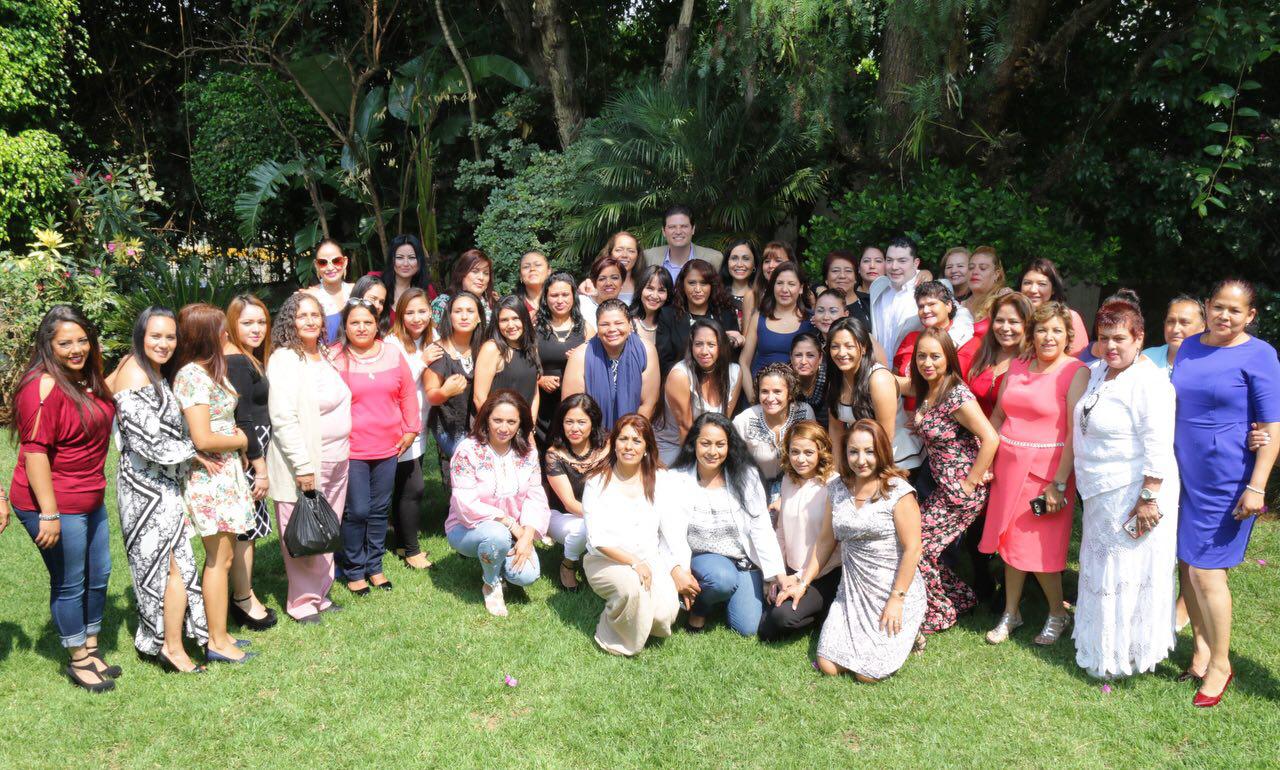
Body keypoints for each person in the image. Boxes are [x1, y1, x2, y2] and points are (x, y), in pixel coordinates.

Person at [1172, 279, 1280, 707]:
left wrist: (1257, 485)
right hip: (1183, 472)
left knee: (1205, 571)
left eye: (1235, 311)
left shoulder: (1261, 355)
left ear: (1251, 316)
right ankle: (1200, 651)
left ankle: (1221, 663)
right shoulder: (1191, 346)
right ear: (1207, 307)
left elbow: (1271, 429)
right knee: (1186, 565)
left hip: (1228, 478)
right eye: (1218, 307)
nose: (1224, 316)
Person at [8, 306, 119, 689]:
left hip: (90, 496)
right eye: (65, 343)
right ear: (47, 345)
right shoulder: (41, 385)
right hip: (52, 502)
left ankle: (90, 646)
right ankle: (77, 658)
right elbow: (35, 452)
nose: (76, 349)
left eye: (82, 340)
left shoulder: (85, 378)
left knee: (100, 572)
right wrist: (49, 514)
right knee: (70, 579)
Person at [1071, 293, 1180, 679]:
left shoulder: (1148, 380)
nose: (1111, 346)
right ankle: (1099, 642)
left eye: (1120, 338)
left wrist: (1148, 498)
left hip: (1134, 492)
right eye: (1104, 337)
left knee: (1127, 571)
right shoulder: (1101, 371)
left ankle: (1124, 655)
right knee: (1101, 567)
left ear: (1139, 338)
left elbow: (1158, 444)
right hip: (1101, 490)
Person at [777, 419, 924, 681]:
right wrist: (803, 582)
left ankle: (910, 632)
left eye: (869, 451)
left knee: (867, 674)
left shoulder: (899, 491)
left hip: (892, 587)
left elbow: (913, 548)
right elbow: (825, 541)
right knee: (828, 665)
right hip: (853, 590)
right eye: (853, 451)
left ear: (881, 451)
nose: (861, 459)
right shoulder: (837, 489)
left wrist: (897, 599)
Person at [981, 301, 1089, 646]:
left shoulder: (1076, 372)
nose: (1048, 337)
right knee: (1010, 544)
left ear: (1068, 336)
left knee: (1041, 551)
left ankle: (1057, 611)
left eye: (1057, 330)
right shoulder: (1017, 365)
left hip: (1048, 474)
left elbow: (1075, 432)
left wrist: (1059, 483)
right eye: (1042, 329)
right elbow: (998, 415)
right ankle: (1012, 612)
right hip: (1008, 469)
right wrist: (986, 463)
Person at [111, 307, 210, 671]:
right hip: (145, 490)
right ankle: (170, 647)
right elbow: (147, 443)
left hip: (163, 485)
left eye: (170, 336)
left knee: (176, 566)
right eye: (156, 336)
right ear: (141, 336)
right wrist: (197, 451)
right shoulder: (135, 372)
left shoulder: (149, 369)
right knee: (167, 569)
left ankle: (167, 639)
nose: (164, 343)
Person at [172, 303, 256, 664]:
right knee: (218, 559)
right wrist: (240, 441)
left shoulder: (210, 370)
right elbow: (202, 437)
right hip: (209, 478)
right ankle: (216, 641)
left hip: (224, 474)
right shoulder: (191, 376)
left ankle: (220, 632)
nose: (227, 335)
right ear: (207, 336)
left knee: (223, 557)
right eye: (222, 330)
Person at [902, 329, 999, 638]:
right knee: (919, 544)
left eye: (935, 356)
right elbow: (899, 385)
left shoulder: (956, 393)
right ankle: (961, 597)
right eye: (921, 356)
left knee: (920, 548)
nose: (927, 362)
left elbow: (990, 438)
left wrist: (970, 483)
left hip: (960, 490)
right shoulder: (929, 390)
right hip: (942, 485)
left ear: (948, 358)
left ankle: (940, 612)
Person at [266, 293, 353, 623]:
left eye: (316, 315)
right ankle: (302, 601)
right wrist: (302, 466)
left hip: (337, 457)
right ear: (290, 319)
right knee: (301, 526)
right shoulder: (285, 359)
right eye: (303, 315)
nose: (311, 321)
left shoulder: (325, 355)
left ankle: (321, 593)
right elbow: (283, 416)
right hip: (304, 461)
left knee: (326, 526)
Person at [581, 414, 697, 656]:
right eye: (623, 439)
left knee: (665, 614)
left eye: (637, 440)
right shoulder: (597, 481)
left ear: (647, 447)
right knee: (632, 588)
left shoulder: (661, 479)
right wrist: (633, 562)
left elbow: (672, 532)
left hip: (650, 559)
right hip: (606, 560)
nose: (629, 446)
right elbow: (598, 539)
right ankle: (613, 638)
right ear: (613, 443)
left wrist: (678, 569)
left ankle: (631, 607)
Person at [670, 413, 788, 636]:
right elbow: (668, 531)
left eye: (720, 445)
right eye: (705, 443)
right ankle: (701, 609)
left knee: (747, 628)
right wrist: (677, 568)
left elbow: (761, 527)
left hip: (742, 560)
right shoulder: (675, 479)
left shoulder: (747, 476)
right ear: (693, 443)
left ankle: (720, 594)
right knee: (721, 578)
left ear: (729, 446)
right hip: (703, 557)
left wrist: (777, 575)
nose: (712, 452)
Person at [332, 298, 419, 595]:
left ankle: (375, 566)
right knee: (357, 510)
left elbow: (408, 394)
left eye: (367, 322)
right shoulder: (335, 357)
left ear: (376, 324)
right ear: (345, 325)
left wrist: (411, 429)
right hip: (352, 448)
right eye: (354, 322)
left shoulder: (392, 353)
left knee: (380, 509)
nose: (361, 327)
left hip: (388, 447)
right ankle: (354, 569)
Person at [446, 390, 549, 616]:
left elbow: (535, 495)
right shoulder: (467, 450)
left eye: (511, 421)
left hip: (516, 530)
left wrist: (527, 536)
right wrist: (510, 524)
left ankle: (499, 560)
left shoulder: (528, 453)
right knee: (496, 535)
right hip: (468, 527)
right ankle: (491, 583)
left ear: (521, 423)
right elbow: (465, 502)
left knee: (527, 576)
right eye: (497, 420)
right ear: (486, 419)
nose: (504, 428)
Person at [223, 294, 277, 632]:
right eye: (247, 322)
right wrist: (259, 466)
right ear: (231, 324)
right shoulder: (238, 363)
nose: (256, 329)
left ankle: (243, 593)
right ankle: (243, 599)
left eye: (261, 322)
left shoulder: (247, 358)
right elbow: (242, 419)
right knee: (244, 531)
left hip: (252, 451)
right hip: (247, 455)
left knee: (248, 529)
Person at [758, 421, 840, 641]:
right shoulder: (788, 480)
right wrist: (779, 574)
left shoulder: (833, 485)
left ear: (821, 452)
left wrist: (798, 579)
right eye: (795, 452)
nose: (800, 459)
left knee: (780, 618)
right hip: (790, 569)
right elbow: (782, 531)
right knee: (764, 626)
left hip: (821, 573)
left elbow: (828, 544)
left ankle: (824, 611)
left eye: (808, 452)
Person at [384, 288, 440, 570]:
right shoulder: (392, 343)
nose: (417, 318)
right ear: (400, 315)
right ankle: (411, 551)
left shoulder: (433, 338)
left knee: (404, 483)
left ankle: (400, 540)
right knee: (413, 487)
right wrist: (422, 360)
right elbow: (396, 384)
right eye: (410, 312)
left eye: (422, 311)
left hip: (422, 421)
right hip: (400, 424)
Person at [561, 299, 660, 431]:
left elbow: (648, 403)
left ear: (630, 325)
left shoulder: (646, 350)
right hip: (591, 435)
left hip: (634, 434)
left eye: (619, 323)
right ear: (597, 326)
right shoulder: (580, 356)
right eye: (605, 324)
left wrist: (627, 436)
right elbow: (573, 408)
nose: (612, 329)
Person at [544, 394, 610, 590]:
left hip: (601, 512)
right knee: (583, 529)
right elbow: (569, 503)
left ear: (593, 422)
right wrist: (602, 519)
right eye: (569, 422)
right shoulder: (554, 454)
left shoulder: (607, 447)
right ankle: (568, 564)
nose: (574, 428)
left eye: (581, 422)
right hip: (562, 515)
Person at [825, 318, 908, 471]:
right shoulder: (836, 379)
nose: (841, 353)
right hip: (860, 461)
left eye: (849, 346)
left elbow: (886, 435)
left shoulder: (878, 379)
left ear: (863, 348)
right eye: (835, 346)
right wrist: (837, 470)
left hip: (894, 461)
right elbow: (836, 429)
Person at [655, 319, 742, 464]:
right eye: (698, 344)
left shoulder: (734, 372)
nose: (704, 351)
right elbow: (685, 428)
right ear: (691, 346)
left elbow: (722, 423)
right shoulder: (680, 375)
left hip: (711, 444)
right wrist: (695, 468)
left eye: (711, 345)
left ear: (721, 347)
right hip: (674, 444)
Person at [733, 364, 815, 501]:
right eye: (764, 391)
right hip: (754, 490)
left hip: (797, 488)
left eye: (777, 392)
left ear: (790, 393)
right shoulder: (744, 421)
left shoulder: (805, 413)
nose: (770, 398)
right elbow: (734, 465)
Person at [425, 291, 483, 483]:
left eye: (470, 311)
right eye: (458, 311)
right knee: (463, 479)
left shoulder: (485, 348)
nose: (464, 316)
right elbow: (431, 395)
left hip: (481, 425)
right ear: (449, 316)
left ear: (479, 318)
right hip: (450, 427)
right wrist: (444, 392)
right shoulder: (438, 351)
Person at [891, 281, 978, 408]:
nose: (925, 310)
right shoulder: (911, 339)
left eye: (932, 304)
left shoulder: (970, 342)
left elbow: (954, 387)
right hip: (906, 422)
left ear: (948, 305)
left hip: (948, 421)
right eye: (921, 306)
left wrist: (924, 413)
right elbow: (897, 373)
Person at [656, 258, 742, 377]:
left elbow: (732, 360)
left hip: (719, 384)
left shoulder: (726, 315)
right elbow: (664, 362)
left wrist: (737, 341)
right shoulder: (668, 315)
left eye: (703, 283)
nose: (697, 289)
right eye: (692, 283)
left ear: (712, 286)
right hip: (680, 385)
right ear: (682, 285)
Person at [740, 261, 814, 392]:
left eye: (791, 284)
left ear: (801, 288)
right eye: (779, 283)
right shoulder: (759, 316)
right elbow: (744, 362)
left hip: (797, 397)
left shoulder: (811, 320)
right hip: (760, 393)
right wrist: (752, 397)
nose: (784, 290)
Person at [536, 273, 590, 443]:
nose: (560, 300)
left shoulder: (586, 328)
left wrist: (580, 358)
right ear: (545, 298)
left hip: (576, 407)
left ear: (574, 296)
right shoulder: (534, 327)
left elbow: (599, 367)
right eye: (554, 295)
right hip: (542, 407)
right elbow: (523, 364)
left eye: (565, 294)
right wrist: (539, 379)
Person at [965, 292, 1032, 416]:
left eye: (1013, 322)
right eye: (1000, 320)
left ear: (1027, 325)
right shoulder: (982, 354)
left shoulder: (1033, 362)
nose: (1005, 328)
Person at [473, 295, 542, 415]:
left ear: (524, 319)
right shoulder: (492, 349)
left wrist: (531, 428)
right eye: (504, 320)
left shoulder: (531, 347)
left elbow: (534, 393)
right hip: (498, 428)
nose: (511, 325)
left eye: (516, 318)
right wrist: (494, 427)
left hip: (524, 428)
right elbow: (479, 398)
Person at [1017, 258, 1089, 356]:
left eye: (1041, 284)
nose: (1033, 290)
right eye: (1027, 283)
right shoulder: (1015, 318)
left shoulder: (1070, 318)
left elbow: (1080, 359)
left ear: (1053, 289)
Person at [869, 235, 927, 356]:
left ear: (916, 263)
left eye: (902, 261)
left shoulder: (929, 289)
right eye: (889, 260)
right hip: (880, 370)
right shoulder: (877, 288)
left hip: (912, 370)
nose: (894, 267)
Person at [644, 205, 724, 279]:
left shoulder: (713, 259)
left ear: (693, 229)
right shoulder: (648, 257)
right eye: (672, 227)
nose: (678, 232)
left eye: (684, 226)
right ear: (664, 231)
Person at [430, 248, 497, 327]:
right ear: (462, 273)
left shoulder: (491, 305)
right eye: (475, 271)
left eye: (486, 273)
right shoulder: (443, 303)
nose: (481, 277)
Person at [303, 238, 354, 341]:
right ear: (316, 265)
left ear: (345, 262)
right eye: (323, 262)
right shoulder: (308, 298)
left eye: (337, 261)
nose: (330, 267)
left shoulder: (357, 291)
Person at [578, 230, 645, 306]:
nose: (624, 255)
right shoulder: (592, 284)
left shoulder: (644, 285)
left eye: (631, 251)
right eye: (619, 250)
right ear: (610, 253)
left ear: (638, 255)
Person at [380, 234, 435, 324]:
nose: (405, 263)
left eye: (412, 257)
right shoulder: (377, 284)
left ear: (419, 261)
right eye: (399, 258)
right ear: (392, 260)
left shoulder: (427, 289)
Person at [1143, 294, 1206, 372]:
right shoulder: (1147, 358)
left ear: (1202, 326)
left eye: (1184, 322)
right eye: (1170, 322)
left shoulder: (1211, 364)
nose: (1175, 329)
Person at [962, 245, 1009, 338]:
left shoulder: (1003, 297)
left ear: (996, 274)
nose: (975, 272)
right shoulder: (960, 305)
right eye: (971, 268)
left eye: (982, 268)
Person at [790, 332, 829, 426]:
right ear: (791, 357)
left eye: (810, 355)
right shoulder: (784, 382)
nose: (803, 361)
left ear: (820, 358)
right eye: (798, 355)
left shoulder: (830, 380)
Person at [628, 265, 672, 347]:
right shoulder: (626, 321)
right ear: (640, 289)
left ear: (668, 295)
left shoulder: (673, 324)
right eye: (650, 288)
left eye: (661, 290)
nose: (655, 296)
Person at [720, 238, 758, 328]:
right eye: (734, 258)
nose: (740, 264)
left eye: (746, 259)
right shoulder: (717, 295)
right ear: (727, 263)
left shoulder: (763, 295)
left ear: (754, 264)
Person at [577, 253, 627, 322]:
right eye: (602, 279)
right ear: (594, 283)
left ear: (622, 282)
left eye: (614, 278)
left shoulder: (626, 309)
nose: (608, 283)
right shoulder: (581, 304)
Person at [848, 246, 885, 328]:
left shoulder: (893, 296)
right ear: (858, 269)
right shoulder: (849, 295)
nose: (872, 266)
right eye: (866, 261)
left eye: (878, 261)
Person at [517, 250, 550, 316]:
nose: (532, 269)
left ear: (549, 271)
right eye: (526, 267)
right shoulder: (513, 305)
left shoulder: (558, 301)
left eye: (538, 265)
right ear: (520, 275)